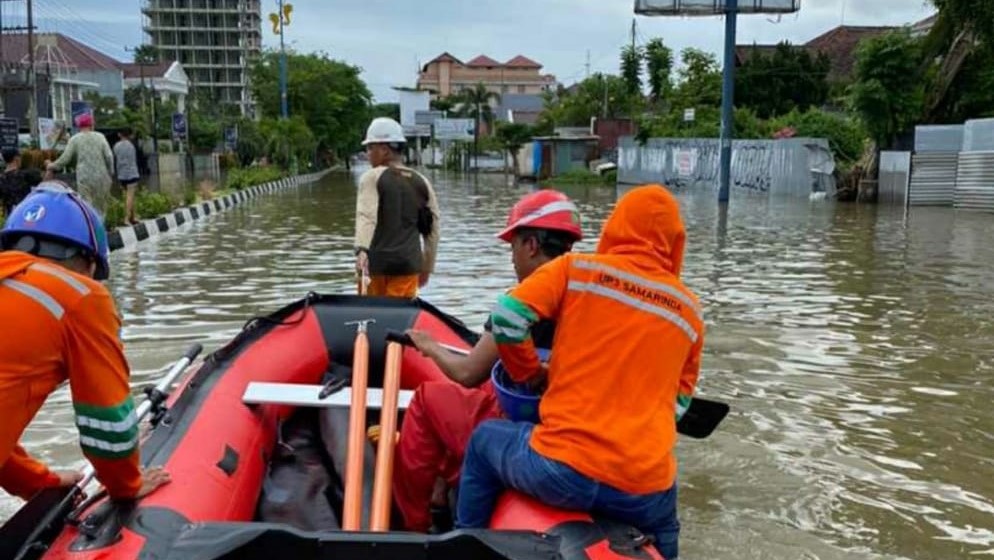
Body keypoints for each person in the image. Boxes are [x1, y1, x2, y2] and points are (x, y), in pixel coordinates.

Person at [456, 184, 705, 560]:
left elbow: (508, 317)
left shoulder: (578, 269)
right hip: (642, 491)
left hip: (561, 469)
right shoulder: (689, 311)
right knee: (667, 525)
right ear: (675, 243)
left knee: (484, 439)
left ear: (615, 227)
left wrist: (529, 374)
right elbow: (679, 404)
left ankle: (465, 544)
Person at [391, 190, 583, 532]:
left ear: (532, 246)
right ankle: (442, 487)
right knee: (480, 390)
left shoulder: (523, 298)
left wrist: (430, 346)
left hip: (526, 420)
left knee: (427, 400)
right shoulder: (592, 296)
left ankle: (412, 524)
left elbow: (466, 372)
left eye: (513, 248)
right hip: (572, 417)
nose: (512, 259)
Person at [0, 182, 170, 503]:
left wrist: (39, 482)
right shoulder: (81, 295)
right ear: (89, 262)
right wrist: (127, 485)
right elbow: (106, 422)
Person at [354, 117, 440, 298]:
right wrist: (427, 267)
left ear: (384, 149)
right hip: (407, 266)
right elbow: (432, 229)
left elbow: (366, 216)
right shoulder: (421, 181)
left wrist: (361, 250)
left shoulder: (371, 177)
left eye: (370, 147)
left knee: (370, 317)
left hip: (374, 266)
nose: (367, 153)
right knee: (399, 321)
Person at [45, 113, 114, 217]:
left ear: (79, 126)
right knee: (101, 208)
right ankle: (100, 228)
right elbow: (109, 156)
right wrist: (110, 172)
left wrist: (52, 165)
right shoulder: (100, 137)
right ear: (91, 125)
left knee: (87, 207)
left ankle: (89, 229)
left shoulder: (75, 139)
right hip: (102, 176)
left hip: (84, 177)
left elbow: (65, 158)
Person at [0, 148, 42, 216]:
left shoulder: (1, 178)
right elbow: (45, 183)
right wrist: (50, 168)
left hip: (10, 215)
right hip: (26, 212)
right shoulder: (25, 175)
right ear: (16, 158)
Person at [114, 127, 141, 225]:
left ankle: (133, 217)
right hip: (132, 174)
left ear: (119, 134)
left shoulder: (116, 146)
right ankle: (126, 218)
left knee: (127, 197)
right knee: (130, 196)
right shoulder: (131, 146)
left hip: (121, 175)